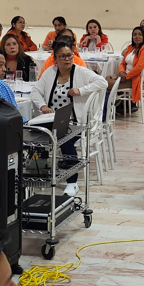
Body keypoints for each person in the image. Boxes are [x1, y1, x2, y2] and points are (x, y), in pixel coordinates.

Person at [31, 41, 108, 196]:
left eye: (69, 55)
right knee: (34, 135)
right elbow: (36, 91)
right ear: (55, 59)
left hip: (75, 122)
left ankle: (72, 182)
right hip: (51, 119)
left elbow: (103, 82)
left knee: (64, 137)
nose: (67, 59)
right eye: (62, 56)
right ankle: (38, 174)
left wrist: (81, 90)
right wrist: (42, 105)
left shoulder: (81, 72)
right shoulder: (50, 72)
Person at [105, 27, 144, 106]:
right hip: (125, 75)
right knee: (105, 79)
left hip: (136, 78)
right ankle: (114, 104)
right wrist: (121, 72)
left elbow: (139, 67)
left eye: (140, 34)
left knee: (106, 84)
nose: (137, 37)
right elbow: (123, 63)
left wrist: (126, 76)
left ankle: (110, 105)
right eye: (135, 34)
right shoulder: (131, 47)